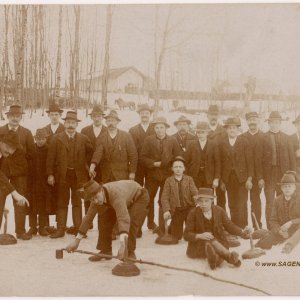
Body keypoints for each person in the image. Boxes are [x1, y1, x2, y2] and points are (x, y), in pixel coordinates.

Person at [65, 179, 149, 261]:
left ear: (101, 190)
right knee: (104, 218)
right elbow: (88, 218)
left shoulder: (116, 195)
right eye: (92, 199)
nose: (96, 201)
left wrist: (123, 245)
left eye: (96, 197)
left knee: (130, 221)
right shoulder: (96, 200)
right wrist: (76, 241)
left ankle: (129, 252)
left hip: (139, 197)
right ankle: (106, 250)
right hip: (124, 199)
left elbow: (123, 218)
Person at [46, 110, 95, 238]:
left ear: (77, 125)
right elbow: (50, 158)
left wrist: (89, 166)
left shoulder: (84, 139)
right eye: (68, 122)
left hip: (79, 176)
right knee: (62, 202)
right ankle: (61, 229)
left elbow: (91, 154)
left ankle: (78, 229)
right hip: (62, 175)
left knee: (77, 202)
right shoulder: (56, 139)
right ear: (65, 124)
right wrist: (50, 174)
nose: (70, 125)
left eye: (73, 123)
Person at [184, 188, 250, 270]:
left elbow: (229, 225)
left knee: (214, 245)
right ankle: (229, 257)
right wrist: (199, 235)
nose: (203, 204)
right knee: (210, 241)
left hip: (219, 242)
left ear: (212, 201)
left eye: (206, 201)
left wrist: (242, 231)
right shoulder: (193, 213)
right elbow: (186, 235)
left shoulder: (219, 210)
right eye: (201, 201)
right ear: (197, 201)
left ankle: (214, 260)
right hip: (199, 244)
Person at [0, 105, 35, 240]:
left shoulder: (26, 133)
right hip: (2, 172)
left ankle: (20, 230)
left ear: (21, 117)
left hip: (20, 172)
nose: (15, 118)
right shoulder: (0, 131)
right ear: (8, 117)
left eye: (17, 116)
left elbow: (32, 155)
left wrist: (28, 173)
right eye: (12, 116)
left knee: (19, 199)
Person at [140, 116, 181, 231]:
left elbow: (178, 156)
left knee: (164, 200)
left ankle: (163, 226)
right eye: (157, 127)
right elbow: (142, 157)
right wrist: (153, 164)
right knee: (148, 199)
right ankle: (150, 223)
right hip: (152, 176)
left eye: (161, 127)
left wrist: (174, 167)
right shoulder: (149, 140)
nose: (159, 130)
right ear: (154, 129)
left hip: (167, 176)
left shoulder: (172, 140)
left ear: (166, 128)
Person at [262, 111, 296, 229]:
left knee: (284, 201)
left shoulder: (287, 138)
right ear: (269, 123)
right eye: (272, 122)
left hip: (284, 175)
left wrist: (292, 175)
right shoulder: (263, 137)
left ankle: (284, 227)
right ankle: (271, 228)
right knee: (270, 202)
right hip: (269, 175)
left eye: (276, 122)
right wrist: (261, 177)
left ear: (280, 123)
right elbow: (259, 159)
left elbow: (292, 158)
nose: (274, 125)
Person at [218, 117, 254, 228]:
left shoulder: (244, 142)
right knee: (232, 203)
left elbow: (250, 161)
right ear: (226, 130)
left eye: (234, 128)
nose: (232, 130)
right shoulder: (222, 143)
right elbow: (220, 163)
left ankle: (243, 226)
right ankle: (235, 227)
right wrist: (221, 181)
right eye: (229, 128)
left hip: (242, 178)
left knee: (242, 203)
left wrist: (249, 179)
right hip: (228, 178)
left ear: (238, 129)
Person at [256, 171, 300, 253]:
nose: (287, 189)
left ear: (294, 187)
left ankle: (289, 246)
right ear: (281, 188)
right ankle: (264, 235)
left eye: (290, 186)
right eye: (285, 186)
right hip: (283, 231)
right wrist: (279, 231)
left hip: (296, 229)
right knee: (264, 243)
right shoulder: (277, 200)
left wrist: (291, 222)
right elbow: (273, 220)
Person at [89, 110, 137, 184]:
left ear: (117, 122)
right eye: (108, 121)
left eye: (113, 121)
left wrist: (132, 172)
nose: (111, 123)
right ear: (106, 122)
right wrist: (92, 165)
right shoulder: (101, 137)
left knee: (121, 195)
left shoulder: (126, 136)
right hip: (106, 175)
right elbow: (98, 153)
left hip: (122, 175)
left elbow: (133, 155)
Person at [81, 104, 107, 229]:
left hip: (104, 168)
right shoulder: (85, 131)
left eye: (99, 116)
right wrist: (87, 167)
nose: (97, 119)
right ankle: (88, 220)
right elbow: (82, 151)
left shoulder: (108, 130)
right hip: (88, 167)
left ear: (102, 117)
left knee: (102, 192)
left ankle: (102, 220)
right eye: (94, 116)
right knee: (88, 194)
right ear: (91, 117)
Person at [161, 156, 198, 240]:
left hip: (189, 208)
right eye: (176, 167)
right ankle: (172, 227)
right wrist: (166, 210)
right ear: (172, 169)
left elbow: (195, 193)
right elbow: (164, 197)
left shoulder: (189, 179)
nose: (178, 169)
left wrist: (197, 202)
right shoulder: (168, 180)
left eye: (180, 167)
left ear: (184, 168)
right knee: (176, 237)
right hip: (177, 210)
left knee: (190, 235)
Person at [0, 131, 29, 230]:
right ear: (2, 142)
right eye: (8, 147)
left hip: (10, 175)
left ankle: (20, 230)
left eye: (13, 149)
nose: (10, 152)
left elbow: (24, 168)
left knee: (19, 186)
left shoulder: (16, 151)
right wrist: (14, 193)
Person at [27, 129, 53, 236]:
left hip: (44, 182)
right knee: (31, 205)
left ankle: (42, 227)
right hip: (32, 182)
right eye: (38, 139)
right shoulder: (31, 149)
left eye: (42, 139)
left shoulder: (49, 149)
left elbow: (51, 163)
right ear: (35, 139)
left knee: (42, 206)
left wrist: (49, 176)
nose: (40, 141)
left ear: (46, 139)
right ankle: (33, 227)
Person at [241, 112, 265, 228]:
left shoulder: (264, 137)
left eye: (254, 120)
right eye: (250, 120)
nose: (252, 122)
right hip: (243, 176)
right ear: (247, 122)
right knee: (243, 202)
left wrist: (261, 177)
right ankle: (244, 226)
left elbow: (266, 160)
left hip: (257, 177)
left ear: (258, 121)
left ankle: (257, 226)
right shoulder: (242, 137)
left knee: (256, 201)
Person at [185, 121, 220, 189]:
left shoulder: (213, 145)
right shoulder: (191, 145)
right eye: (198, 132)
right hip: (194, 176)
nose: (200, 134)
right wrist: (187, 178)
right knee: (195, 197)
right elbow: (186, 162)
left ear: (207, 133)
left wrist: (216, 179)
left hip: (209, 177)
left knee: (207, 197)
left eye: (203, 132)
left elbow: (217, 163)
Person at [129, 104, 155, 187]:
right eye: (142, 113)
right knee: (137, 187)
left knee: (150, 188)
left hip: (151, 165)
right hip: (138, 164)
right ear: (139, 115)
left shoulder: (156, 128)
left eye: (146, 113)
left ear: (150, 115)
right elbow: (130, 149)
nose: (144, 115)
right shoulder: (133, 130)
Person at [206, 104, 227, 209]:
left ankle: (221, 222)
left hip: (221, 169)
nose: (213, 117)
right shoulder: (203, 130)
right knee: (208, 197)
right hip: (207, 169)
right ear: (207, 116)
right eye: (211, 114)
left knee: (221, 198)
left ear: (218, 116)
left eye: (215, 114)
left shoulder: (224, 131)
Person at [291, 114, 300, 185]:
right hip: (296, 169)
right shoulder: (291, 138)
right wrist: (295, 154)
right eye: (298, 124)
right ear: (295, 125)